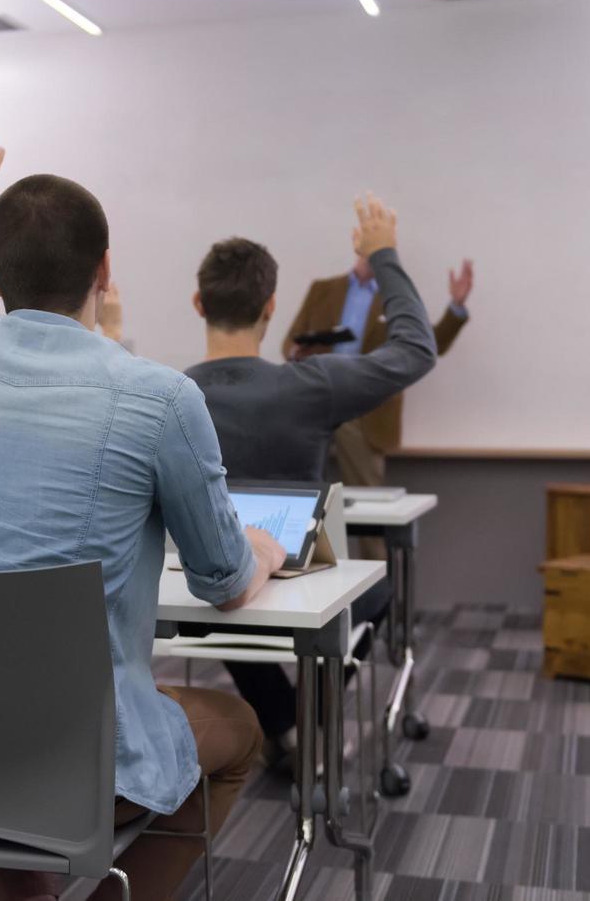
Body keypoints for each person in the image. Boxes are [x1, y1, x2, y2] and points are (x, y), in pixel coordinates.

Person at [0, 139, 285, 901]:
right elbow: (223, 584)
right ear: (104, 272)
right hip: (64, 759)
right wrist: (261, 552)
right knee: (238, 732)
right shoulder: (160, 398)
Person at [182, 195, 437, 765]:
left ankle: (282, 722)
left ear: (198, 303)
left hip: (200, 591)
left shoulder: (169, 394)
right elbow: (416, 349)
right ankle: (305, 718)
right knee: (377, 593)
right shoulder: (311, 385)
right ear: (271, 307)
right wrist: (384, 256)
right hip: (301, 595)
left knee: (224, 588)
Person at [284, 243, 473, 491]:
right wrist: (296, 350)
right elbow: (290, 341)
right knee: (303, 488)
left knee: (366, 496)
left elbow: (427, 345)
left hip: (366, 408)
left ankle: (366, 532)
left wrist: (456, 307)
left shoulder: (396, 298)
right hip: (319, 398)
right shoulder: (323, 290)